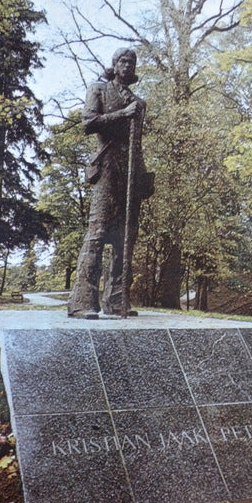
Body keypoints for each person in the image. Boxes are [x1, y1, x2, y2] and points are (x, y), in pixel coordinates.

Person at [67, 48, 153, 319]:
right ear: (114, 65)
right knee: (98, 232)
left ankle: (117, 300)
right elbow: (88, 123)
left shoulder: (139, 102)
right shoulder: (99, 89)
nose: (127, 65)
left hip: (129, 173)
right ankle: (82, 302)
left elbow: (136, 144)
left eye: (132, 62)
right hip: (106, 167)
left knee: (125, 238)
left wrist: (143, 176)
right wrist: (121, 115)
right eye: (123, 61)